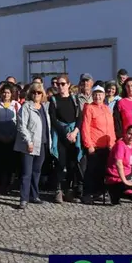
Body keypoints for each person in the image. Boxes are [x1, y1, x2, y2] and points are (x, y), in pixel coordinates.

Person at [48, 74, 84, 203]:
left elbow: (79, 117)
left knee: (72, 163)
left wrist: (74, 133)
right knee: (60, 163)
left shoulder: (74, 99)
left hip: (74, 135)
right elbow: (53, 118)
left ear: (68, 85)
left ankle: (69, 190)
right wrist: (64, 133)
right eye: (58, 84)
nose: (60, 86)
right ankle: (58, 190)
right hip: (60, 135)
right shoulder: (53, 100)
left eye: (63, 84)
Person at [15, 83, 50, 209]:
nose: (36, 95)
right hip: (29, 144)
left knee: (37, 171)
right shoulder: (26, 107)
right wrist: (28, 141)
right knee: (27, 172)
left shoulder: (44, 107)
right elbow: (21, 126)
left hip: (42, 143)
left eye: (39, 93)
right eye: (34, 92)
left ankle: (34, 195)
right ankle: (23, 198)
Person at [81, 85, 115, 204]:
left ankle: (98, 192)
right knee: (91, 171)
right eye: (95, 94)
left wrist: (112, 142)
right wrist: (88, 144)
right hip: (94, 145)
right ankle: (87, 194)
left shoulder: (106, 108)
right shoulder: (89, 108)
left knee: (102, 171)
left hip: (106, 145)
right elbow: (85, 127)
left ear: (104, 95)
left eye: (100, 94)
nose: (98, 96)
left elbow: (111, 127)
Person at [0, 83, 20, 195]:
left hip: (13, 138)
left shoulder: (16, 105)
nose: (6, 95)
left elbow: (19, 124)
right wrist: (0, 136)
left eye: (8, 92)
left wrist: (12, 136)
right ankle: (0, 185)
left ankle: (10, 185)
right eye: (4, 92)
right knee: (0, 163)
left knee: (11, 164)